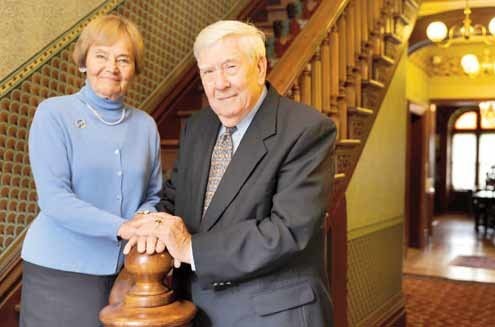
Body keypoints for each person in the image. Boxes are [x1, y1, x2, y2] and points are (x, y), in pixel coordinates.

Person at [124, 20, 336, 326]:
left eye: (230, 67)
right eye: (208, 72)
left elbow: (287, 231)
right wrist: (149, 224)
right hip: (195, 311)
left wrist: (189, 248)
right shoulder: (198, 126)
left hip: (272, 315)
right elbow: (174, 198)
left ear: (260, 66)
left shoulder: (306, 130)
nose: (219, 83)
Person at [20, 15, 162, 327]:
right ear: (84, 61)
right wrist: (123, 227)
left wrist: (144, 218)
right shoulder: (54, 113)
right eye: (101, 55)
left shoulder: (146, 125)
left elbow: (152, 196)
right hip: (60, 271)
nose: (111, 67)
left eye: (123, 59)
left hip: (125, 273)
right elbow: (55, 199)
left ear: (134, 69)